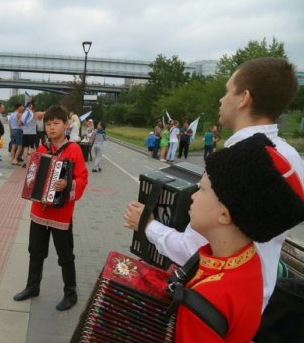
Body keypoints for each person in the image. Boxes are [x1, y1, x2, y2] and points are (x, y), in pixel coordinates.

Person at [123, 57, 303, 313]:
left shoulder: (240, 162)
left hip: (217, 300)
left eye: (228, 90)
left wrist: (148, 225)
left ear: (244, 98)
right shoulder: (289, 155)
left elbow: (194, 250)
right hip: (256, 292)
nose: (221, 99)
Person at [165, 133, 304, 343]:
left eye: (202, 188)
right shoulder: (247, 264)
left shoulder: (207, 300)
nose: (193, 193)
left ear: (225, 215)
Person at [13, 105, 89, 311]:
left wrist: (66, 185)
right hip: (39, 210)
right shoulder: (42, 148)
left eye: (56, 123)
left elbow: (82, 177)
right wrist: (31, 174)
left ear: (65, 125)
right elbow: (33, 173)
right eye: (48, 124)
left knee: (65, 254)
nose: (51, 128)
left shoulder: (73, 149)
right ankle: (32, 286)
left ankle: (70, 293)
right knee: (35, 251)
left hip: (61, 213)